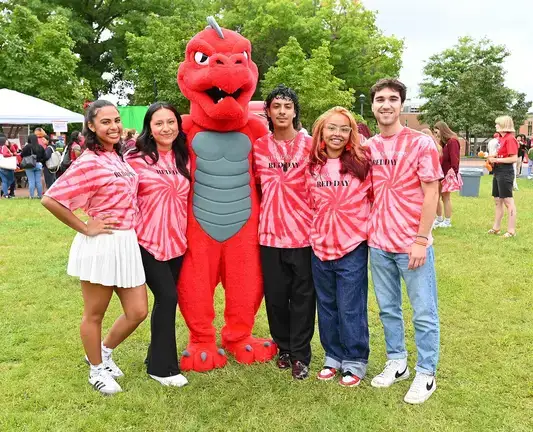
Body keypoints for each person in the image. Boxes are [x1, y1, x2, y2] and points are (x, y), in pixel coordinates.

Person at [41, 100, 148, 395]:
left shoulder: (119, 156)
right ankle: (96, 370)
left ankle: (103, 352)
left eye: (116, 120)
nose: (113, 126)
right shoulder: (89, 161)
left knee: (138, 311)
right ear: (91, 126)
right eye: (105, 122)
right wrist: (86, 226)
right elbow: (50, 199)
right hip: (102, 244)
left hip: (127, 241)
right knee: (95, 313)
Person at [366, 78, 442, 404]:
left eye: (392, 99)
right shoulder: (367, 147)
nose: (386, 104)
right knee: (388, 310)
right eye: (380, 99)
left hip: (412, 244)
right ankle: (397, 362)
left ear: (401, 104)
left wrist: (421, 239)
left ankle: (426, 372)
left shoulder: (420, 144)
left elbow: (432, 193)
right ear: (372, 106)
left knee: (424, 311)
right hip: (378, 243)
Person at [306, 106, 372, 387]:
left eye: (344, 129)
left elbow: (373, 197)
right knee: (328, 305)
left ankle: (355, 359)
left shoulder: (361, 162)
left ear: (351, 134)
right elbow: (311, 202)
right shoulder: (312, 165)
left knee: (350, 305)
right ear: (321, 130)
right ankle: (333, 356)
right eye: (332, 128)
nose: (338, 134)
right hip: (320, 245)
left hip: (352, 245)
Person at [253, 85, 315, 380]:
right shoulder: (258, 147)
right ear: (268, 111)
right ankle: (285, 348)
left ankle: (301, 355)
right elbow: (255, 186)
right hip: (269, 234)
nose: (281, 111)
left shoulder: (311, 145)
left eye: (287, 106)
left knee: (303, 297)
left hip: (304, 235)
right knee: (276, 297)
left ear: (294, 111)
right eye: (276, 106)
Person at [126, 103, 190, 387]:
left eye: (171, 122)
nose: (166, 128)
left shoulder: (183, 157)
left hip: (177, 242)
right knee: (167, 298)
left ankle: (154, 357)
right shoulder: (134, 159)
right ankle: (163, 369)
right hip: (146, 241)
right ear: (149, 128)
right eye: (159, 123)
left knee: (167, 300)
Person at [487, 115, 518, 237]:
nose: (495, 126)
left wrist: (497, 160)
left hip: (505, 171)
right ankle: (496, 228)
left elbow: (513, 158)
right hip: (498, 171)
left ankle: (511, 231)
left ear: (504, 126)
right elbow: (501, 154)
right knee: (497, 200)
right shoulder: (501, 138)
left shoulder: (510, 139)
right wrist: (491, 158)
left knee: (507, 200)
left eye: (497, 124)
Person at [432, 121, 462, 229]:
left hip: (448, 173)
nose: (436, 134)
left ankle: (447, 221)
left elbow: (455, 159)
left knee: (446, 198)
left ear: (442, 130)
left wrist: (453, 173)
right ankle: (439, 218)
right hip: (441, 173)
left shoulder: (452, 141)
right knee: (436, 196)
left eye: (436, 132)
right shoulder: (445, 143)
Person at [21, 134, 46, 199]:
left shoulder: (27, 147)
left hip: (29, 165)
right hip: (38, 165)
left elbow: (22, 155)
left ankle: (31, 196)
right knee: (38, 181)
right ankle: (39, 195)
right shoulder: (40, 147)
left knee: (31, 181)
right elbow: (44, 156)